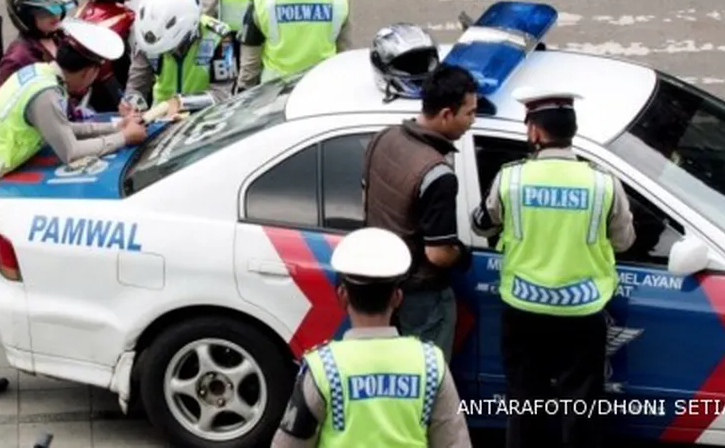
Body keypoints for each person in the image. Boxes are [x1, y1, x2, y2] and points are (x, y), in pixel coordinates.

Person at [0, 19, 149, 398]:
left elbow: (62, 129)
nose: (92, 84)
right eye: (95, 74)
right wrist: (122, 138)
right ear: (87, 70)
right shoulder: (47, 94)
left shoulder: (39, 75)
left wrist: (115, 126)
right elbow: (69, 151)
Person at [471, 87, 635, 448]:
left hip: (524, 308)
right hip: (583, 309)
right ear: (571, 130)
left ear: (535, 132)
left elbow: (481, 225)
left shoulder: (511, 179)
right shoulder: (603, 183)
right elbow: (624, 242)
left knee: (525, 398)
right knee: (582, 403)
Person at [270, 227, 473, 448]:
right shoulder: (431, 364)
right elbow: (455, 442)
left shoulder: (323, 368)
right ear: (397, 298)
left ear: (342, 295)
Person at [362, 48, 479, 359]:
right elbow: (439, 254)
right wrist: (463, 255)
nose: (473, 121)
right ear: (445, 115)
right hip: (422, 295)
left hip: (383, 284)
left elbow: (369, 198)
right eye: (469, 113)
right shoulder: (437, 174)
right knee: (426, 377)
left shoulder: (384, 138)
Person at [119, 0, 238, 118]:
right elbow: (137, 85)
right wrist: (131, 104)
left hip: (205, 119)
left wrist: (182, 102)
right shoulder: (146, 36)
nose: (167, 52)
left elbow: (223, 95)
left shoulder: (219, 37)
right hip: (160, 121)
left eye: (170, 47)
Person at [0, 0, 78, 99]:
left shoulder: (62, 38)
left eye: (59, 8)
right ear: (26, 16)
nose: (56, 15)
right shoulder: (18, 57)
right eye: (45, 12)